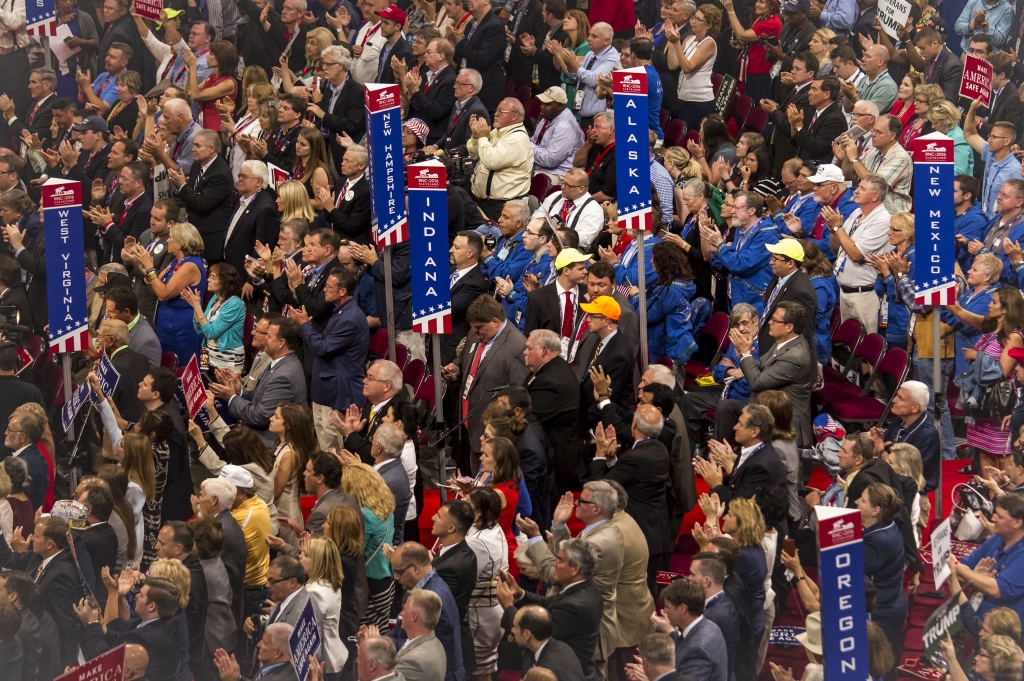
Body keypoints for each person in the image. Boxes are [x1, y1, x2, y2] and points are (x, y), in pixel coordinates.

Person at [518, 482, 624, 681]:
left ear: (596, 508)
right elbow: (567, 558)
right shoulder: (603, 530)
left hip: (584, 628)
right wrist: (559, 525)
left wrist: (534, 538)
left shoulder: (599, 542)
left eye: (582, 500)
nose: (576, 503)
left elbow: (555, 572)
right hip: (585, 617)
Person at [949, 287, 1024, 470]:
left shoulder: (1013, 336)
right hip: (981, 403)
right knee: (984, 453)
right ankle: (990, 496)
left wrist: (978, 356)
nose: (989, 305)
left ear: (1005, 308)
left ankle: (1008, 497)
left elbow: (1001, 372)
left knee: (1003, 457)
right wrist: (943, 295)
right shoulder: (992, 326)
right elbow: (960, 311)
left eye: (994, 302)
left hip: (999, 404)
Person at [209, 317, 308, 446]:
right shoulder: (281, 363)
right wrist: (239, 392)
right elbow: (262, 398)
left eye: (269, 336)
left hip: (266, 445)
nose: (265, 338)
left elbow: (260, 416)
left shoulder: (284, 376)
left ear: (281, 343)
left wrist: (231, 397)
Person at [126, 221, 206, 366]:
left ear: (181, 242)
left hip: (183, 327)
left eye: (171, 237)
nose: (168, 240)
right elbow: (155, 288)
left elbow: (163, 294)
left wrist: (151, 268)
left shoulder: (190, 265)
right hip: (166, 324)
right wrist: (145, 269)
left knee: (183, 368)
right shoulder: (176, 262)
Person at [79, 576, 188, 681]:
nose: (136, 595)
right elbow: (119, 636)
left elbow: (105, 666)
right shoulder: (165, 621)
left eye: (141, 595)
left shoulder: (147, 638)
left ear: (151, 606)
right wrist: (102, 627)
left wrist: (92, 623)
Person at [387, 542, 466, 681]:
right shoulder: (423, 588)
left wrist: (381, 643)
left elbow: (423, 646)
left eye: (399, 572)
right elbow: (401, 629)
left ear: (416, 568)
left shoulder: (432, 600)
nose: (396, 577)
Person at [826, 174, 893, 333]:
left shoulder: (882, 220)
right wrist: (834, 232)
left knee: (866, 350)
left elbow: (856, 255)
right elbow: (838, 249)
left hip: (865, 294)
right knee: (848, 347)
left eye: (862, 188)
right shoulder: (856, 213)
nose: (856, 191)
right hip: (844, 291)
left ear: (875, 196)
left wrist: (838, 228)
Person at [523, 329, 582, 494]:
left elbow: (528, 417)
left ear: (543, 350)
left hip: (555, 464)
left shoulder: (551, 381)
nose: (524, 352)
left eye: (529, 348)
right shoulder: (547, 369)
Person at [704, 191, 779, 315]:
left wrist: (720, 246)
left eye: (737, 207)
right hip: (737, 297)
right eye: (732, 207)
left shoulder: (767, 235)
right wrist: (717, 252)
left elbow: (741, 264)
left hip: (755, 302)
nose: (732, 211)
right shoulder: (740, 229)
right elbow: (727, 263)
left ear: (752, 210)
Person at [855, 482, 907, 654]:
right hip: (891, 601)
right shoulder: (886, 527)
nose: (856, 502)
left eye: (862, 501)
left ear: (875, 510)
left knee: (877, 664)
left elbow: (852, 572)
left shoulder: (878, 542)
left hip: (881, 612)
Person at [341, 463, 394, 629]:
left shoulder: (363, 515)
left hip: (369, 584)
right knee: (381, 628)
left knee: (368, 633)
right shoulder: (385, 507)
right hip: (386, 579)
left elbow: (354, 551)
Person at [868, 381, 940, 492]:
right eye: (897, 395)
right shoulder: (900, 421)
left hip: (913, 496)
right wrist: (879, 442)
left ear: (915, 408)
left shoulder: (927, 435)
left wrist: (881, 449)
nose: (893, 400)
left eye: (900, 398)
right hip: (892, 489)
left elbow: (902, 472)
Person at [651, 577, 727, 681]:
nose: (664, 611)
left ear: (682, 609)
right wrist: (672, 632)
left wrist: (652, 678)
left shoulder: (698, 650)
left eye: (667, 607)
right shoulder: (711, 626)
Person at [834, 115, 911, 215]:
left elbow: (874, 185)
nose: (873, 135)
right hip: (869, 212)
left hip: (892, 217)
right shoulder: (873, 151)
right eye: (873, 131)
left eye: (879, 132)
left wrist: (854, 157)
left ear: (892, 136)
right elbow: (849, 175)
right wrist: (847, 155)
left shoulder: (900, 157)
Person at [665, 4, 720, 132]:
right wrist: (672, 42)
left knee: (697, 139)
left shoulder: (709, 43)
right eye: (693, 18)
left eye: (698, 19)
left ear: (709, 25)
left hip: (699, 101)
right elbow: (673, 65)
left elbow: (687, 68)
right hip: (684, 98)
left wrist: (677, 42)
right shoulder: (689, 39)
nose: (693, 22)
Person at [300, 537, 349, 680]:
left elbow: (307, 630)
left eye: (306, 555)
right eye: (301, 552)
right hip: (334, 653)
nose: (300, 557)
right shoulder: (328, 582)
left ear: (319, 562)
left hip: (326, 662)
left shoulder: (316, 591)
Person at [222, 161, 280, 278]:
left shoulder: (265, 208)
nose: (240, 179)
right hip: (232, 269)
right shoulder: (243, 198)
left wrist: (251, 280)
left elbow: (262, 247)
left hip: (246, 274)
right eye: (240, 176)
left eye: (245, 176)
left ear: (259, 182)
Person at [965, 102, 1023, 219]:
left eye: (994, 137)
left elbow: (1018, 206)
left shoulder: (1015, 171)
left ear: (1007, 141)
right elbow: (969, 134)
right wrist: (972, 109)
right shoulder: (990, 153)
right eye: (989, 136)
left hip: (999, 225)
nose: (989, 140)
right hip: (985, 218)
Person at [189, 517, 237, 657]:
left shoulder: (201, 573)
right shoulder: (215, 560)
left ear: (197, 545)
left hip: (214, 643)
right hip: (226, 632)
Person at [721, 0, 781, 102]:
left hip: (761, 72)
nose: (757, 4)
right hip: (752, 69)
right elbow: (755, 42)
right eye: (757, 1)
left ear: (771, 5)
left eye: (762, 2)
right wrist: (743, 45)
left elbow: (742, 34)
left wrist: (731, 10)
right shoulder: (761, 19)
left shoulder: (771, 23)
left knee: (758, 107)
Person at [513, 605, 584, 681]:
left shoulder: (550, 673)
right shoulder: (535, 648)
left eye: (515, 627)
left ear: (527, 634)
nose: (512, 630)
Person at [788, 78, 847, 164]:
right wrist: (793, 123)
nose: (809, 92)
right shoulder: (812, 110)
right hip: (802, 161)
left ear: (826, 94)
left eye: (814, 89)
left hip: (817, 168)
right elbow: (798, 138)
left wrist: (798, 126)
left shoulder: (834, 119)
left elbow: (815, 147)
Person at [392, 589, 447, 681]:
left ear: (414, 616)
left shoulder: (413, 661)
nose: (401, 613)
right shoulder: (436, 643)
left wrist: (369, 651)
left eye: (404, 609)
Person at [212, 622, 297, 681]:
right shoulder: (276, 665)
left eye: (265, 642)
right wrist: (237, 678)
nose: (259, 644)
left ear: (277, 653)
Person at [531, 87, 584, 179]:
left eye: (547, 104)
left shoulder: (565, 127)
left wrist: (525, 145)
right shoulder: (548, 116)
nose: (542, 106)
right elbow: (534, 141)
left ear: (560, 106)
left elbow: (550, 160)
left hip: (558, 174)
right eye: (542, 102)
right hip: (540, 167)